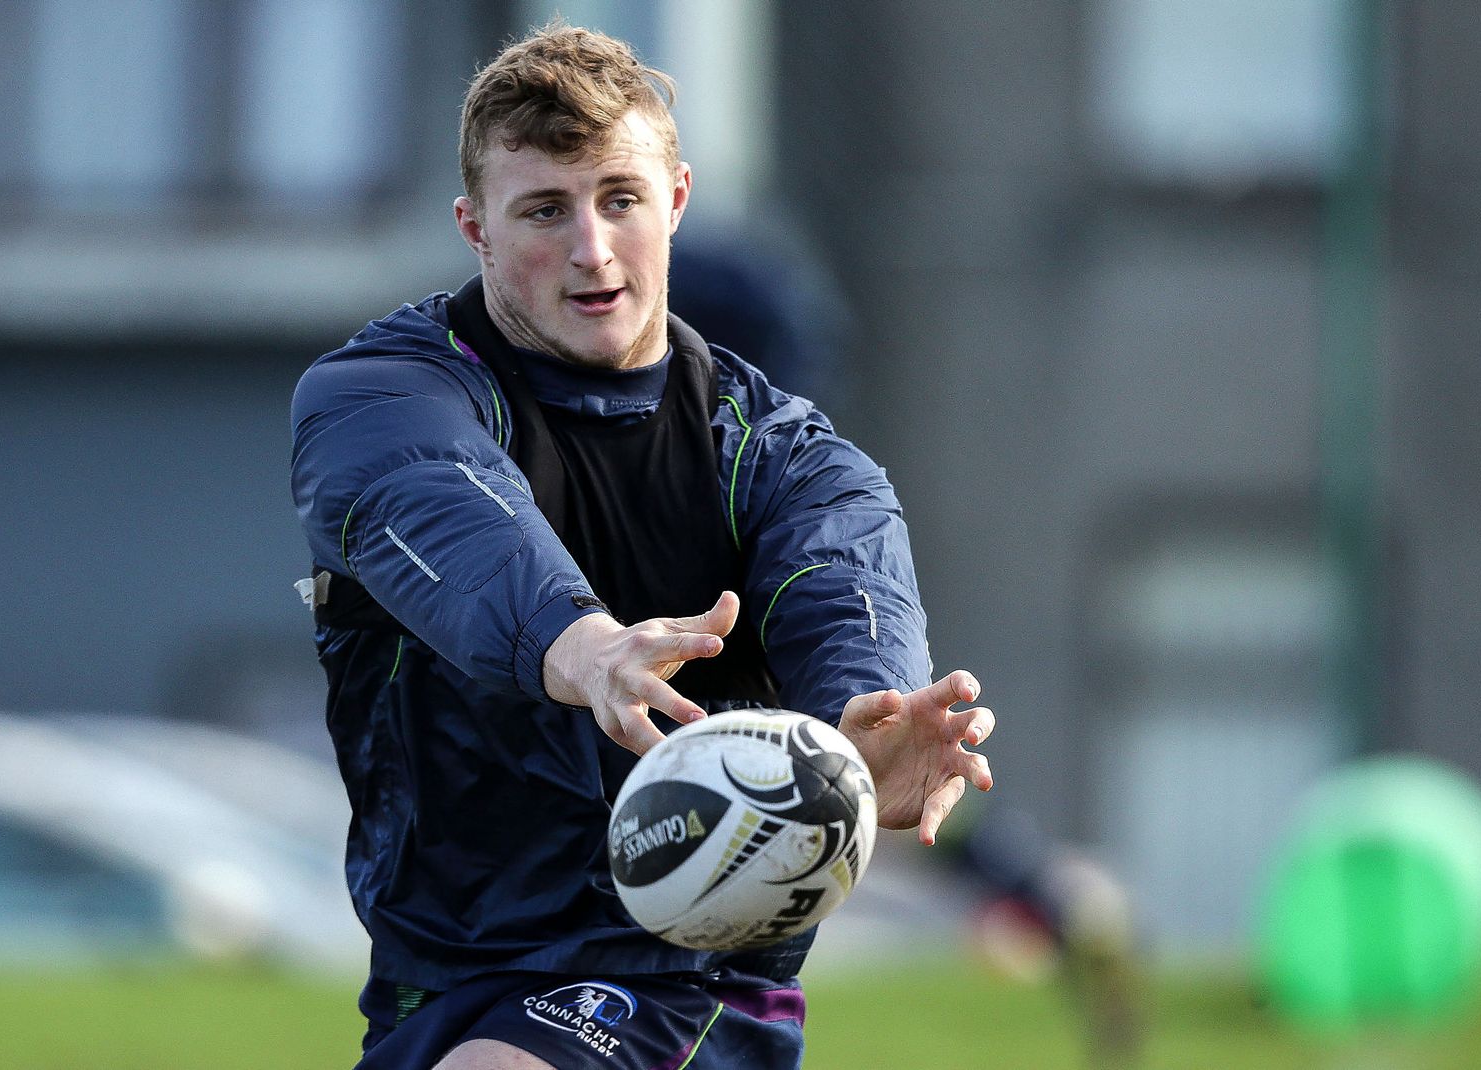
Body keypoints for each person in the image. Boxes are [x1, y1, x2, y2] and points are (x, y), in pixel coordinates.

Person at [290, 22, 994, 1070]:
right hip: (432, 983)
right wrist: (582, 648)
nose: (592, 248)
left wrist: (869, 728)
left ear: (675, 201)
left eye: (619, 198)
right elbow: (447, 512)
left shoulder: (788, 459)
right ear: (474, 228)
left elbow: (846, 588)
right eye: (544, 209)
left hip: (684, 980)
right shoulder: (374, 399)